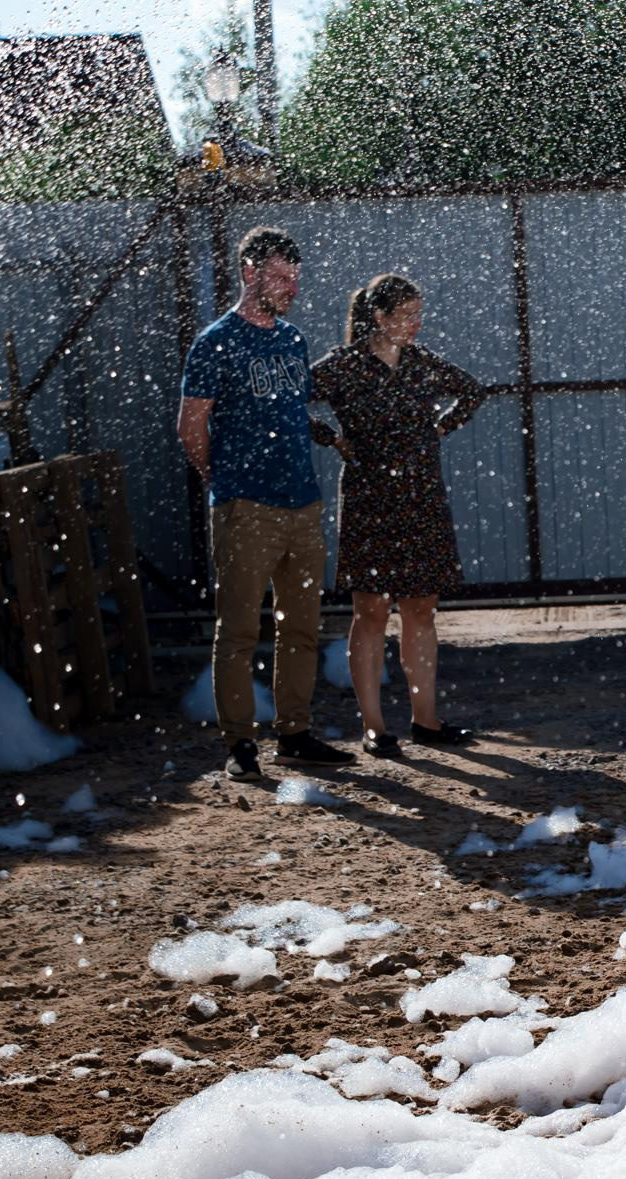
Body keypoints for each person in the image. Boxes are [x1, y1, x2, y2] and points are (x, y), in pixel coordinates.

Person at [178, 225, 353, 780]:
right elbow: (191, 425)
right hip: (245, 507)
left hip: (302, 504)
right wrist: (225, 481)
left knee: (301, 627)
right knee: (238, 632)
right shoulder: (215, 342)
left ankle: (295, 734)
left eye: (295, 279)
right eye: (280, 276)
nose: (290, 288)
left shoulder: (292, 340)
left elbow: (289, 411)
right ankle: (239, 746)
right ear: (250, 273)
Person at [310, 273, 485, 757]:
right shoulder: (344, 366)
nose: (416, 323)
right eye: (406, 315)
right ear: (380, 317)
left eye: (417, 314)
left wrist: (436, 430)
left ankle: (426, 721)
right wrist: (329, 436)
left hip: (422, 497)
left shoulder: (420, 363)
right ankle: (374, 728)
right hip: (370, 499)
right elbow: (289, 399)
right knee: (370, 611)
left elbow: (472, 392)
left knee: (421, 608)